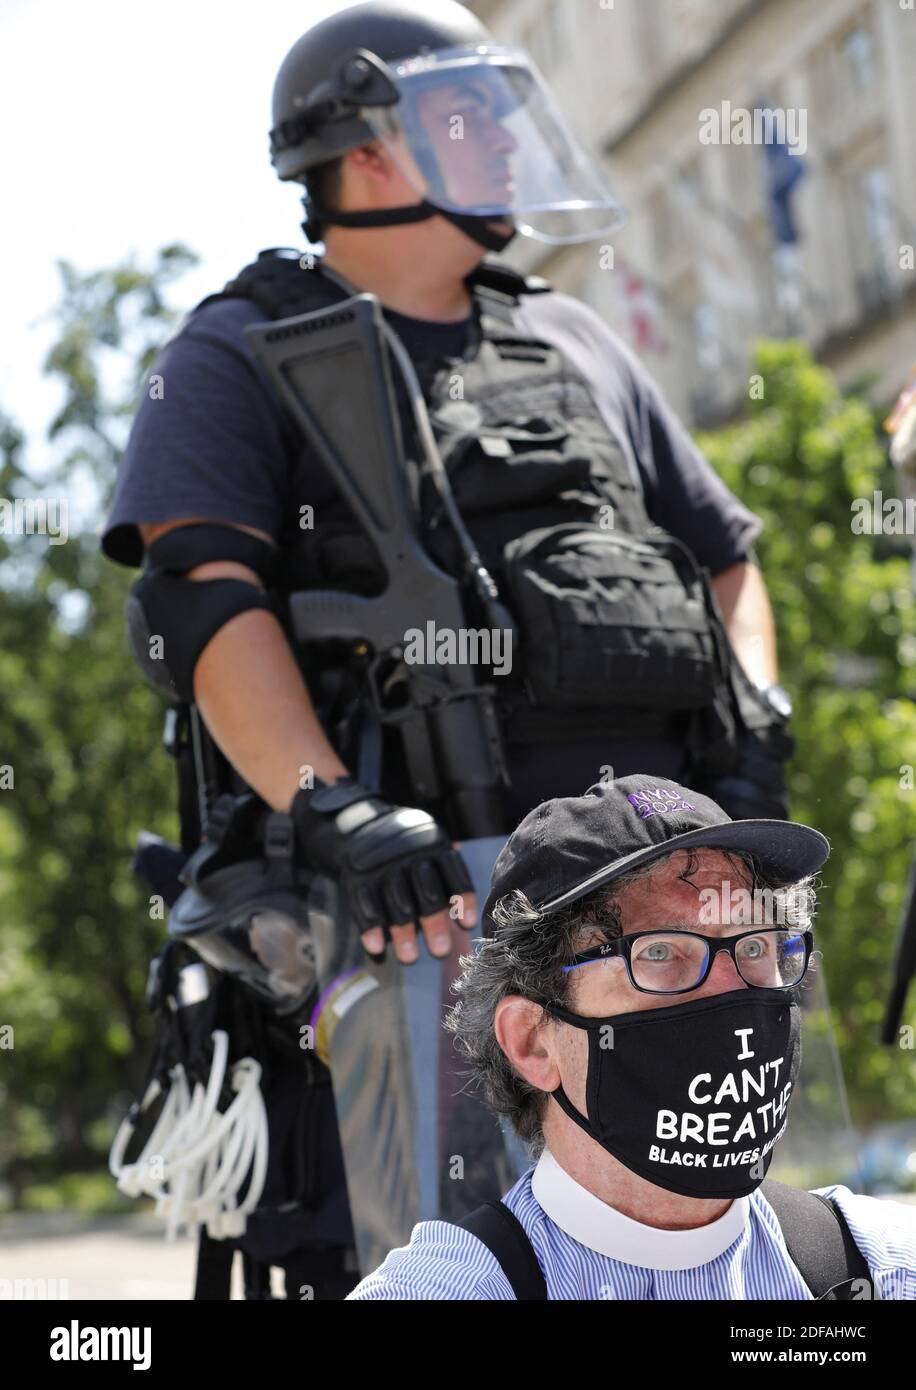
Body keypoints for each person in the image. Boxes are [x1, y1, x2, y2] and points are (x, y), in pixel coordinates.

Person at [101, 0, 795, 1298]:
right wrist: (340, 811)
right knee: (463, 1258)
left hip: (668, 903)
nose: (514, 147)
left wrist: (755, 725)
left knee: (713, 1254)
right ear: (368, 153)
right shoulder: (242, 344)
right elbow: (201, 600)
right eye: (471, 119)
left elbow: (723, 553)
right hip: (433, 915)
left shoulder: (575, 336)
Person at [348, 773, 916, 1300]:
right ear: (532, 1042)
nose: (731, 993)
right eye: (661, 953)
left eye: (753, 947)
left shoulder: (880, 1269)